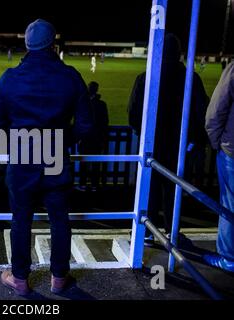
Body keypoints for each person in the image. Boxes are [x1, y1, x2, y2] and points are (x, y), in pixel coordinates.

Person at [0, 19, 94, 295]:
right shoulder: (70, 76)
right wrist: (59, 141)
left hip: (22, 159)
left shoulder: (9, 78)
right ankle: (59, 279)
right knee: (59, 218)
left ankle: (20, 279)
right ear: (53, 44)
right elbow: (85, 124)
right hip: (55, 157)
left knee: (21, 219)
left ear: (27, 45)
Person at [128, 34, 208, 245]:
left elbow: (133, 114)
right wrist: (195, 141)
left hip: (152, 145)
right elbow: (203, 114)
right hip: (180, 146)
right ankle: (172, 233)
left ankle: (147, 232)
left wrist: (144, 134)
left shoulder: (145, 77)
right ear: (179, 52)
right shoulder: (191, 78)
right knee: (174, 189)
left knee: (150, 189)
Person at [204, 61, 234, 272]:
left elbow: (215, 111)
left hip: (232, 150)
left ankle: (228, 258)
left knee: (229, 206)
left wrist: (218, 143)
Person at [77, 81, 109, 191]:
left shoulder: (83, 103)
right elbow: (105, 123)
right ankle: (95, 184)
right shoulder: (102, 104)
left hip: (85, 138)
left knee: (83, 163)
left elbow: (79, 122)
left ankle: (83, 184)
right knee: (95, 162)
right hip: (97, 138)